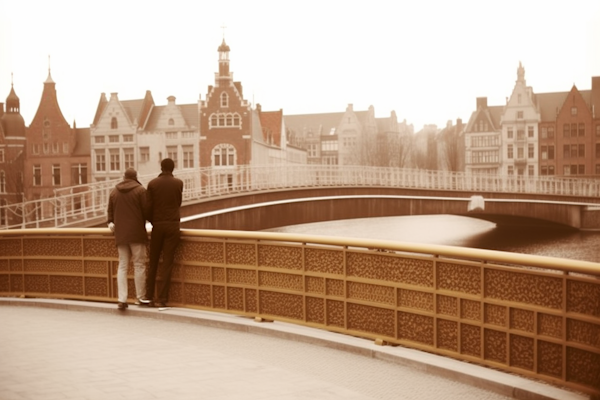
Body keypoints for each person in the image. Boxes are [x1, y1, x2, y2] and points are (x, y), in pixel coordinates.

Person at [141, 158, 183, 308]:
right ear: (173, 168)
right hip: (173, 226)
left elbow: (147, 208)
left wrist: (153, 221)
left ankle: (148, 295)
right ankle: (163, 299)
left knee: (153, 262)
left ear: (161, 167)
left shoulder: (152, 184)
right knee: (167, 263)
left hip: (157, 226)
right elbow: (178, 203)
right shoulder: (178, 183)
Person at [107, 168, 149, 310]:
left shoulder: (114, 192)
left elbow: (110, 214)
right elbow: (147, 211)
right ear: (135, 177)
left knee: (123, 265)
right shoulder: (140, 191)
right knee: (139, 265)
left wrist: (111, 222)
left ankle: (122, 299)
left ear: (124, 177)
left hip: (121, 234)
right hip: (137, 233)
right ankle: (140, 297)